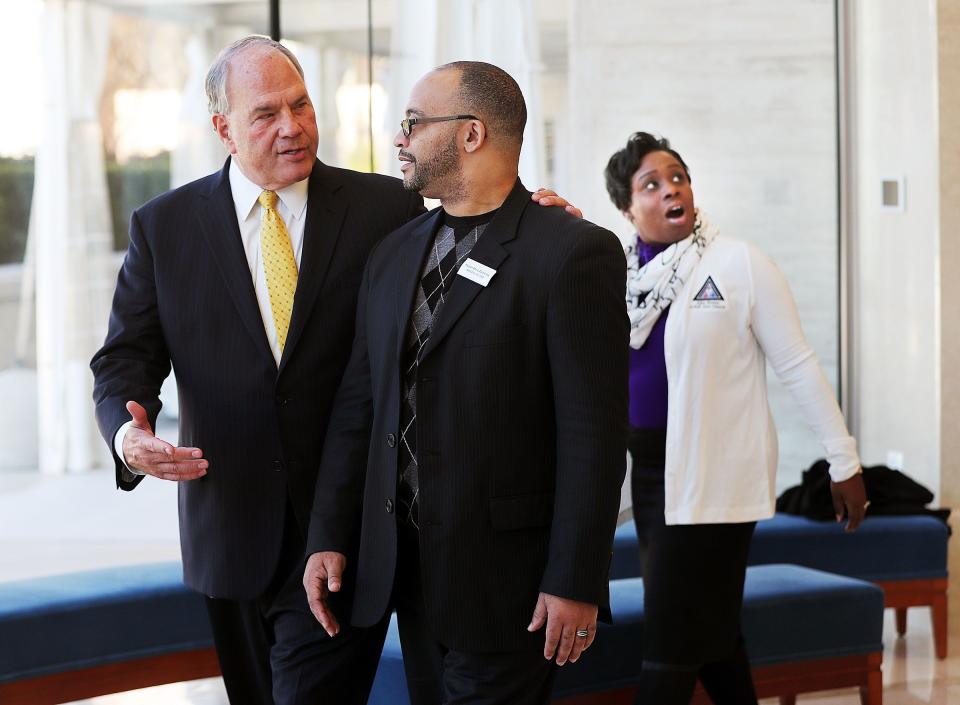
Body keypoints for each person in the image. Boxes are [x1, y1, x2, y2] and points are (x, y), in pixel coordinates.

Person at [90, 36, 577, 705]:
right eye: (265, 114)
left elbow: (478, 241)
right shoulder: (163, 227)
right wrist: (127, 433)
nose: (292, 126)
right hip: (229, 527)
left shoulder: (388, 208)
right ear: (223, 128)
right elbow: (125, 359)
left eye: (301, 104)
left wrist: (543, 228)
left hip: (351, 528)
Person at [302, 61, 628, 705]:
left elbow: (593, 434)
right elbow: (359, 408)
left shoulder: (571, 251)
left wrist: (576, 578)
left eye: (413, 123)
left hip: (511, 584)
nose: (400, 138)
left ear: (471, 134)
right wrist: (329, 535)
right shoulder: (393, 253)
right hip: (410, 576)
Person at [602, 132, 868, 705]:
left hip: (715, 479)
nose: (673, 189)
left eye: (679, 176)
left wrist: (842, 458)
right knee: (712, 636)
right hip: (650, 477)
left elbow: (797, 364)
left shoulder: (738, 263)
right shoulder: (616, 277)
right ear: (627, 208)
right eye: (652, 184)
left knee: (670, 643)